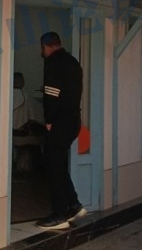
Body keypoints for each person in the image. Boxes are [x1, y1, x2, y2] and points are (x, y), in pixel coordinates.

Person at [35, 31, 87, 230]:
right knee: (59, 164)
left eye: (42, 48)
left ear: (46, 46)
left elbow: (52, 94)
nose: (42, 52)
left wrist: (49, 120)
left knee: (53, 166)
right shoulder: (72, 62)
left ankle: (59, 214)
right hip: (73, 120)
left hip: (59, 122)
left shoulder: (53, 63)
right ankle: (73, 204)